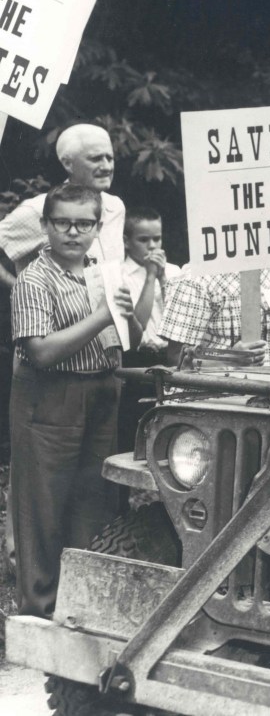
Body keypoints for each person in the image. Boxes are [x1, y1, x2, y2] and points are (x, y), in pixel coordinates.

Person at [9, 184, 138, 618]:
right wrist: (101, 314)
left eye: (84, 224)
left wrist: (126, 314)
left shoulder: (104, 272)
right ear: (45, 226)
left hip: (102, 389)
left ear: (98, 228)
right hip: (50, 398)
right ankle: (39, 610)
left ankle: (81, 609)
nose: (72, 232)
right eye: (62, 222)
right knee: (43, 506)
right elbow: (40, 352)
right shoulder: (33, 280)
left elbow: (126, 336)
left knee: (95, 501)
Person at [0, 124, 125, 288]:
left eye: (110, 158)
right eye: (95, 158)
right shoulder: (39, 209)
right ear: (68, 164)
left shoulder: (116, 207)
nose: (107, 167)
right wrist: (22, 290)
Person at [118, 207, 181, 447]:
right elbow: (137, 323)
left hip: (170, 358)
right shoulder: (122, 275)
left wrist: (163, 279)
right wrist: (150, 277)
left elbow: (179, 318)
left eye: (157, 238)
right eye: (143, 240)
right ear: (127, 241)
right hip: (139, 359)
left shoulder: (174, 272)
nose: (152, 246)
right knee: (133, 431)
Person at [160, 266, 270, 369]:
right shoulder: (195, 278)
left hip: (269, 395)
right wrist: (229, 359)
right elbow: (175, 358)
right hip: (212, 397)